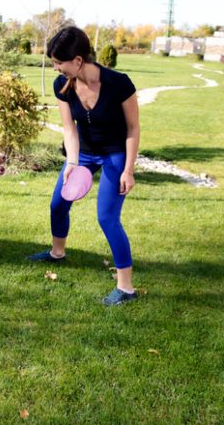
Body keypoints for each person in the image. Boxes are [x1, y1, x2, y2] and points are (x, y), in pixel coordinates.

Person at [28, 26, 140, 306]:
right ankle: (57, 252)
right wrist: (73, 162)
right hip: (85, 153)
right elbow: (69, 129)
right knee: (58, 203)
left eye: (58, 62)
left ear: (78, 60)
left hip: (114, 153)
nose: (55, 68)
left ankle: (126, 288)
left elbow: (133, 128)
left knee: (107, 218)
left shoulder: (119, 84)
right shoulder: (62, 86)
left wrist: (128, 169)